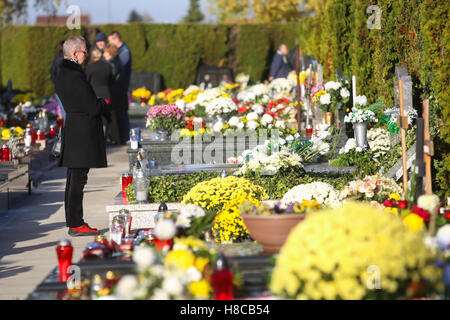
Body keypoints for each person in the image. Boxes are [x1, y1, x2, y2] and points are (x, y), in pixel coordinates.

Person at [55, 36, 109, 237]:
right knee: (78, 179)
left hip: (74, 128)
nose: (86, 56)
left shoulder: (62, 73)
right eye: (85, 52)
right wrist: (104, 103)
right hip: (82, 132)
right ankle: (76, 223)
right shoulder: (75, 76)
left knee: (73, 178)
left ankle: (73, 221)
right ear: (76, 53)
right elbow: (92, 107)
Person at [108, 31, 132, 144]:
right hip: (119, 87)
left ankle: (126, 137)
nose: (109, 43)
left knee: (122, 113)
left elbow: (119, 66)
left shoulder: (124, 51)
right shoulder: (123, 51)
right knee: (119, 113)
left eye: (110, 41)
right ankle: (121, 137)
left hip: (121, 87)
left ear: (116, 39)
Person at [103, 43, 122, 145]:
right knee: (113, 117)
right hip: (116, 91)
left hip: (111, 92)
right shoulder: (117, 61)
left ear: (110, 53)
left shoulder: (111, 64)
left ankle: (113, 138)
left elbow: (111, 78)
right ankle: (115, 138)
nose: (104, 54)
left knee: (110, 117)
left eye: (105, 52)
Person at [50, 41, 66, 121]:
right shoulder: (72, 60)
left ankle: (65, 130)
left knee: (63, 111)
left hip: (59, 89)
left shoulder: (56, 60)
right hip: (69, 88)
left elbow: (52, 74)